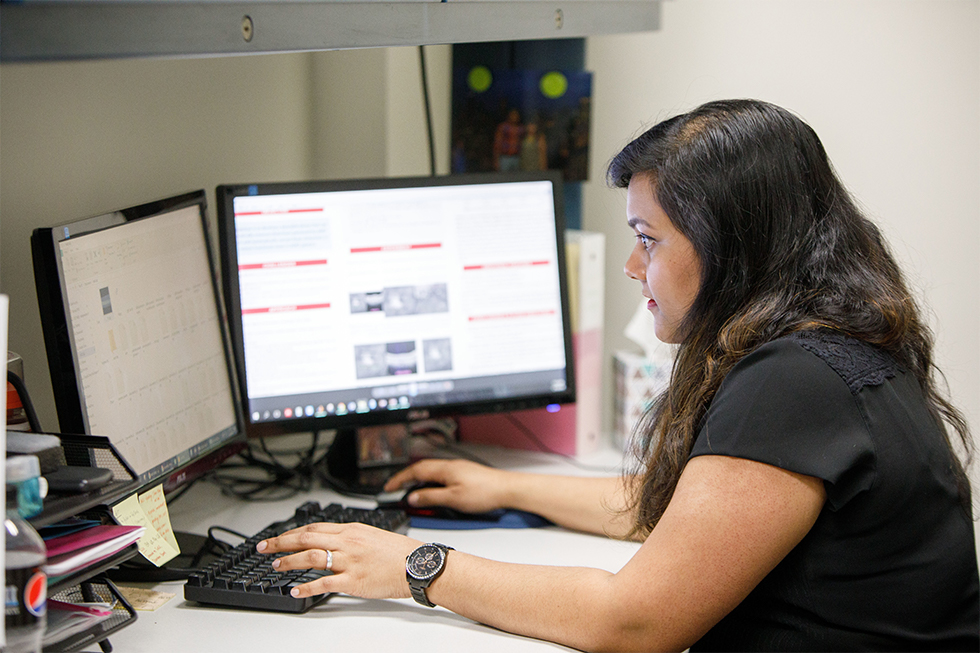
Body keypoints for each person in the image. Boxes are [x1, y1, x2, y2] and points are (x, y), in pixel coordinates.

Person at [257, 99, 980, 651]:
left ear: (730, 246)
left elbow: (633, 621)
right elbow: (695, 517)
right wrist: (505, 486)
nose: (634, 267)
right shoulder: (835, 342)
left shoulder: (793, 379)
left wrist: (415, 564)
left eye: (647, 239)